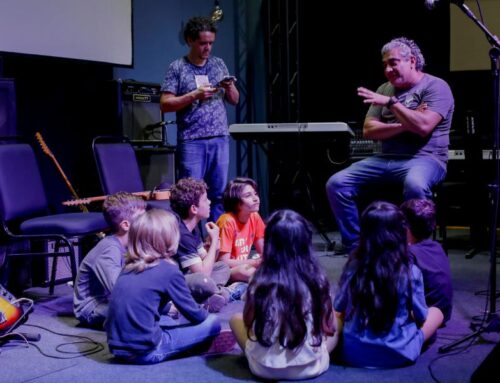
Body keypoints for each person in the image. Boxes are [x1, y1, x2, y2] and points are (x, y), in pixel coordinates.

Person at [326, 37, 454, 255]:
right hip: (385, 159)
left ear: (411, 60)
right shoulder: (385, 89)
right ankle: (354, 245)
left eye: (393, 62)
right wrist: (406, 122)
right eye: (385, 64)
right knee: (337, 183)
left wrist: (393, 105)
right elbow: (369, 130)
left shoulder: (436, 86)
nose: (388, 69)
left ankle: (418, 248)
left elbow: (424, 127)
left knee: (415, 184)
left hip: (426, 158)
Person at [105, 209, 229, 364]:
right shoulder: (169, 270)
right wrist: (204, 314)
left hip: (117, 349)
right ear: (169, 238)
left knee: (174, 325)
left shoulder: (128, 267)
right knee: (213, 322)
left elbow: (143, 301)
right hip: (146, 351)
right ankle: (201, 343)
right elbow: (195, 315)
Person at [229, 209, 338, 380]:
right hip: (311, 367)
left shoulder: (259, 280)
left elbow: (248, 321)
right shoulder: (317, 280)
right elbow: (328, 324)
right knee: (338, 321)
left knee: (235, 319)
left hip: (263, 368)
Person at [334, 201, 443, 368]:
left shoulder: (353, 267)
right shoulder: (410, 271)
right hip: (399, 353)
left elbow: (338, 306)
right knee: (436, 312)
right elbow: (421, 316)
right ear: (400, 232)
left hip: (353, 353)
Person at [160, 16, 239, 223]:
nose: (208, 48)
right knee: (190, 198)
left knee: (219, 195)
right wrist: (194, 95)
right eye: (203, 43)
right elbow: (165, 104)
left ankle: (217, 244)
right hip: (192, 140)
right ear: (190, 41)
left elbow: (234, 100)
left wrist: (230, 87)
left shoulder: (218, 64)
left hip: (220, 138)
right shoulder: (178, 67)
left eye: (211, 43)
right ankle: (191, 247)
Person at [73, 192, 146, 328]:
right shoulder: (109, 249)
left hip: (112, 301)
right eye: (143, 218)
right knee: (143, 310)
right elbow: (119, 289)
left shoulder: (130, 245)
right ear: (126, 225)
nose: (148, 222)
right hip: (93, 308)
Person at [169, 177, 236, 313]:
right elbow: (203, 273)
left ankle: (210, 296)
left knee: (223, 267)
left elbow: (207, 261)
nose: (210, 202)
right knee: (202, 280)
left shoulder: (193, 228)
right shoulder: (182, 234)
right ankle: (222, 293)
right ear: (194, 208)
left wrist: (214, 247)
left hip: (191, 275)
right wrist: (215, 241)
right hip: (174, 283)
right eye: (205, 200)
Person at [400, 198, 453, 323]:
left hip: (425, 315)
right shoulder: (437, 246)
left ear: (405, 227)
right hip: (443, 313)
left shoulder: (409, 253)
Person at [216, 177, 264, 283]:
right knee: (247, 271)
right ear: (237, 203)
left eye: (255, 194)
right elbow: (223, 262)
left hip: (245, 265)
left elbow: (264, 251)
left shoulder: (254, 216)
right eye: (248, 195)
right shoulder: (227, 221)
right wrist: (255, 262)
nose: (256, 198)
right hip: (223, 271)